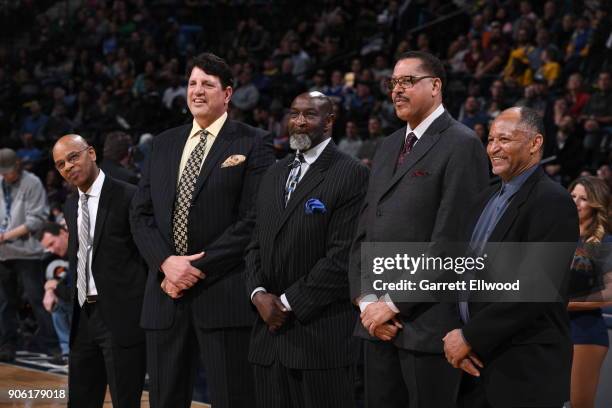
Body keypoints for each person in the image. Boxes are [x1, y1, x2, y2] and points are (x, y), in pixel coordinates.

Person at [130, 52, 275, 408]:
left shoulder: (253, 141)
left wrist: (194, 268)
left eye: (207, 84)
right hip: (165, 294)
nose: (197, 91)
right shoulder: (162, 144)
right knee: (165, 399)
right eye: (192, 83)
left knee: (232, 398)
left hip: (222, 293)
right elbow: (140, 213)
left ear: (227, 94)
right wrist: (166, 262)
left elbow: (255, 219)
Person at [349, 51, 489, 408]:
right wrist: (367, 303)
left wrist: (392, 304)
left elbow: (452, 244)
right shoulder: (387, 146)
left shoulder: (462, 144)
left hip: (427, 329)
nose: (397, 90)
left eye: (407, 81)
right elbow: (363, 233)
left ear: (436, 86)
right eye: (393, 83)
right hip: (376, 327)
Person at [443, 107, 579, 408]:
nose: (493, 148)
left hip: (522, 371)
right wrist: (456, 335)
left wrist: (469, 336)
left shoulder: (553, 202)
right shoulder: (483, 198)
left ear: (535, 143)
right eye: (490, 140)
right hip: (472, 367)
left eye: (504, 139)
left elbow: (534, 289)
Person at [245, 91, 368, 407]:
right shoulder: (274, 172)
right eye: (294, 114)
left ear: (329, 122)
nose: (299, 122)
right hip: (267, 341)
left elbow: (342, 258)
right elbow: (255, 243)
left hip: (320, 340)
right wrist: (258, 294)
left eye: (309, 115)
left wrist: (284, 304)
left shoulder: (352, 173)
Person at [52, 134, 147, 408]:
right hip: (83, 317)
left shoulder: (129, 195)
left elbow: (146, 257)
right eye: (61, 164)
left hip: (121, 318)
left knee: (124, 401)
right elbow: (80, 257)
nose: (68, 166)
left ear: (91, 153)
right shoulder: (71, 205)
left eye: (73, 157)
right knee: (80, 400)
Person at [0, 148, 58, 362]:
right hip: (3, 254)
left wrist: (5, 236)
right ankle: (7, 345)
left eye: (8, 171)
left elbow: (37, 219)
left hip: (28, 253)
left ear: (18, 166)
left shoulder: (32, 183)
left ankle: (53, 346)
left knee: (37, 299)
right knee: (5, 302)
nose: (5, 176)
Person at [567, 176, 612, 408]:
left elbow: (610, 294)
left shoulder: (605, 242)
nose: (576, 202)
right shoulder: (558, 235)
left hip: (584, 332)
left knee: (580, 404)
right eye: (573, 196)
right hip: (549, 327)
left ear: (595, 204)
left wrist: (567, 304)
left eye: (583, 198)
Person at [38, 222, 72, 363]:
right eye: (48, 248)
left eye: (52, 244)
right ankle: (68, 352)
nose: (51, 250)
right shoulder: (67, 254)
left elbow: (73, 293)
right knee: (56, 305)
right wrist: (50, 289)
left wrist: (54, 287)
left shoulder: (81, 249)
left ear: (63, 233)